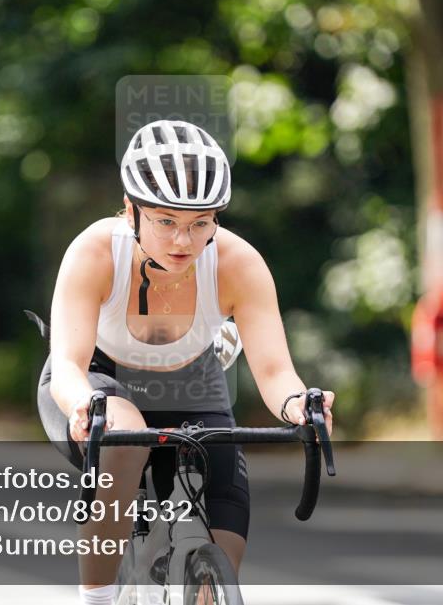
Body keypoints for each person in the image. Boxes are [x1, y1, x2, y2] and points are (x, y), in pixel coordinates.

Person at [35, 119, 335, 605]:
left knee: (226, 530)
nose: (183, 242)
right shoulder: (94, 252)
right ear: (131, 211)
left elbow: (277, 373)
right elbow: (68, 363)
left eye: (201, 224)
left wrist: (301, 406)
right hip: (97, 379)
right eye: (166, 222)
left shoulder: (238, 263)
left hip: (191, 382)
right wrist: (84, 405)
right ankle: (97, 598)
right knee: (125, 438)